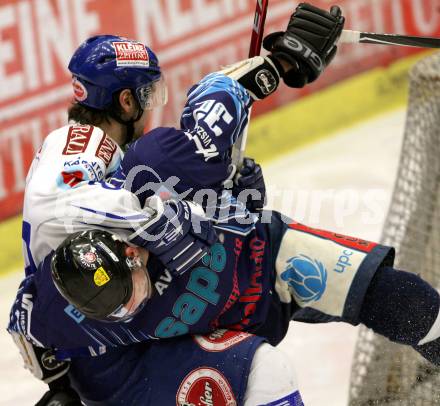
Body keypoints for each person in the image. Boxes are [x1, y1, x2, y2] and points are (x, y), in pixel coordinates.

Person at [8, 3, 349, 404]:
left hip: (131, 330)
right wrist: (163, 217)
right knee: (265, 371)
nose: (152, 106)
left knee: (266, 352)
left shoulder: (112, 159)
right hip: (114, 351)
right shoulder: (79, 143)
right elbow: (59, 203)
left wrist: (225, 205)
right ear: (126, 102)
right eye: (147, 94)